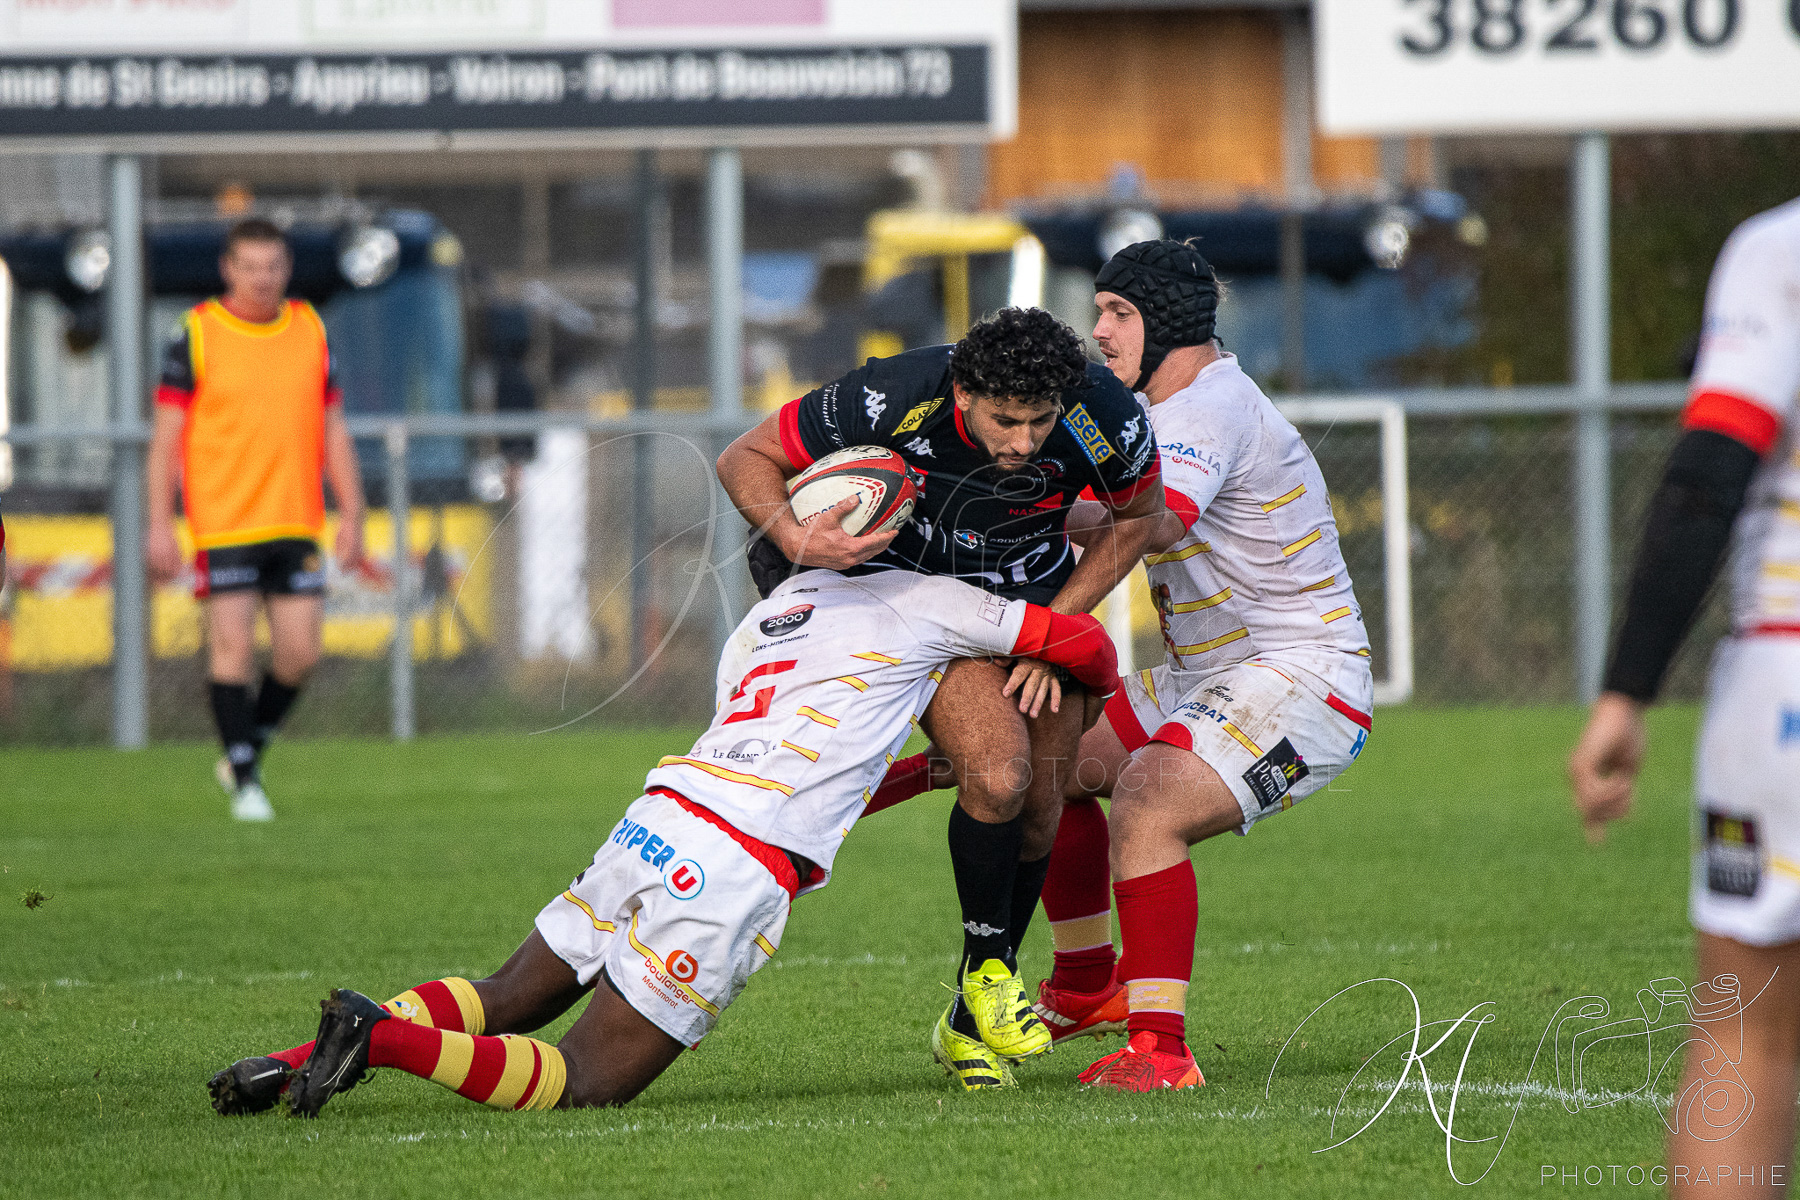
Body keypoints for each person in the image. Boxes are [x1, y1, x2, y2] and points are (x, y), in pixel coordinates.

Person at [206, 568, 1119, 1117]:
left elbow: (800, 779)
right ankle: (384, 1039)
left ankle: (294, 1064)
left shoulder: (769, 618)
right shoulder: (923, 600)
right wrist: (1053, 666)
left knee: (505, 997)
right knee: (585, 1081)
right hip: (732, 869)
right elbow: (1087, 646)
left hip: (664, 815)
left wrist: (927, 772)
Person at [871, 241, 1376, 1090]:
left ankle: (1163, 1053)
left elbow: (1154, 520)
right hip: (1207, 676)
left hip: (1305, 680)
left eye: (1117, 313)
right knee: (1051, 764)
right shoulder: (1157, 413)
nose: (1098, 332)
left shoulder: (1209, 407)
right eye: (1099, 310)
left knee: (1147, 797)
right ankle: (1084, 986)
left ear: (1167, 322)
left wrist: (1001, 509)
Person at [715, 307, 1164, 1088]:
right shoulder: (895, 395)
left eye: (1040, 420)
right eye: (1004, 420)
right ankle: (993, 974)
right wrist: (795, 537)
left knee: (1043, 809)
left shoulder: (1100, 411)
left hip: (1032, 604)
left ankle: (967, 1020)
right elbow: (744, 456)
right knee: (998, 776)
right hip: (912, 609)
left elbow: (1139, 517)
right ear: (963, 391)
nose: (1023, 441)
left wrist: (1055, 628)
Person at [1570, 197, 1800, 1198]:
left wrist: (1625, 694)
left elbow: (1709, 476)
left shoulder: (1777, 249)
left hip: (1784, 685)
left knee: (1744, 1038)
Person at [146, 218, 364, 822]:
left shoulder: (310, 328)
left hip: (295, 518)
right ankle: (246, 782)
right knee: (232, 646)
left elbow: (334, 429)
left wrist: (353, 512)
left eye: (273, 266)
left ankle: (246, 748)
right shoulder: (196, 332)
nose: (263, 278)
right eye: (251, 266)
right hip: (225, 522)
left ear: (287, 269)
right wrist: (158, 522)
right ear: (229, 269)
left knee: (300, 655)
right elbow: (165, 440)